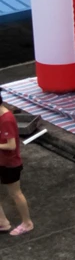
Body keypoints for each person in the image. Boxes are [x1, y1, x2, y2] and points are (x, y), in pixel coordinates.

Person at [0, 94, 32, 236]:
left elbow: (11, 145)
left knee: (15, 193)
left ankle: (27, 223)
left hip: (9, 163)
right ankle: (2, 222)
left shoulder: (6, 119)